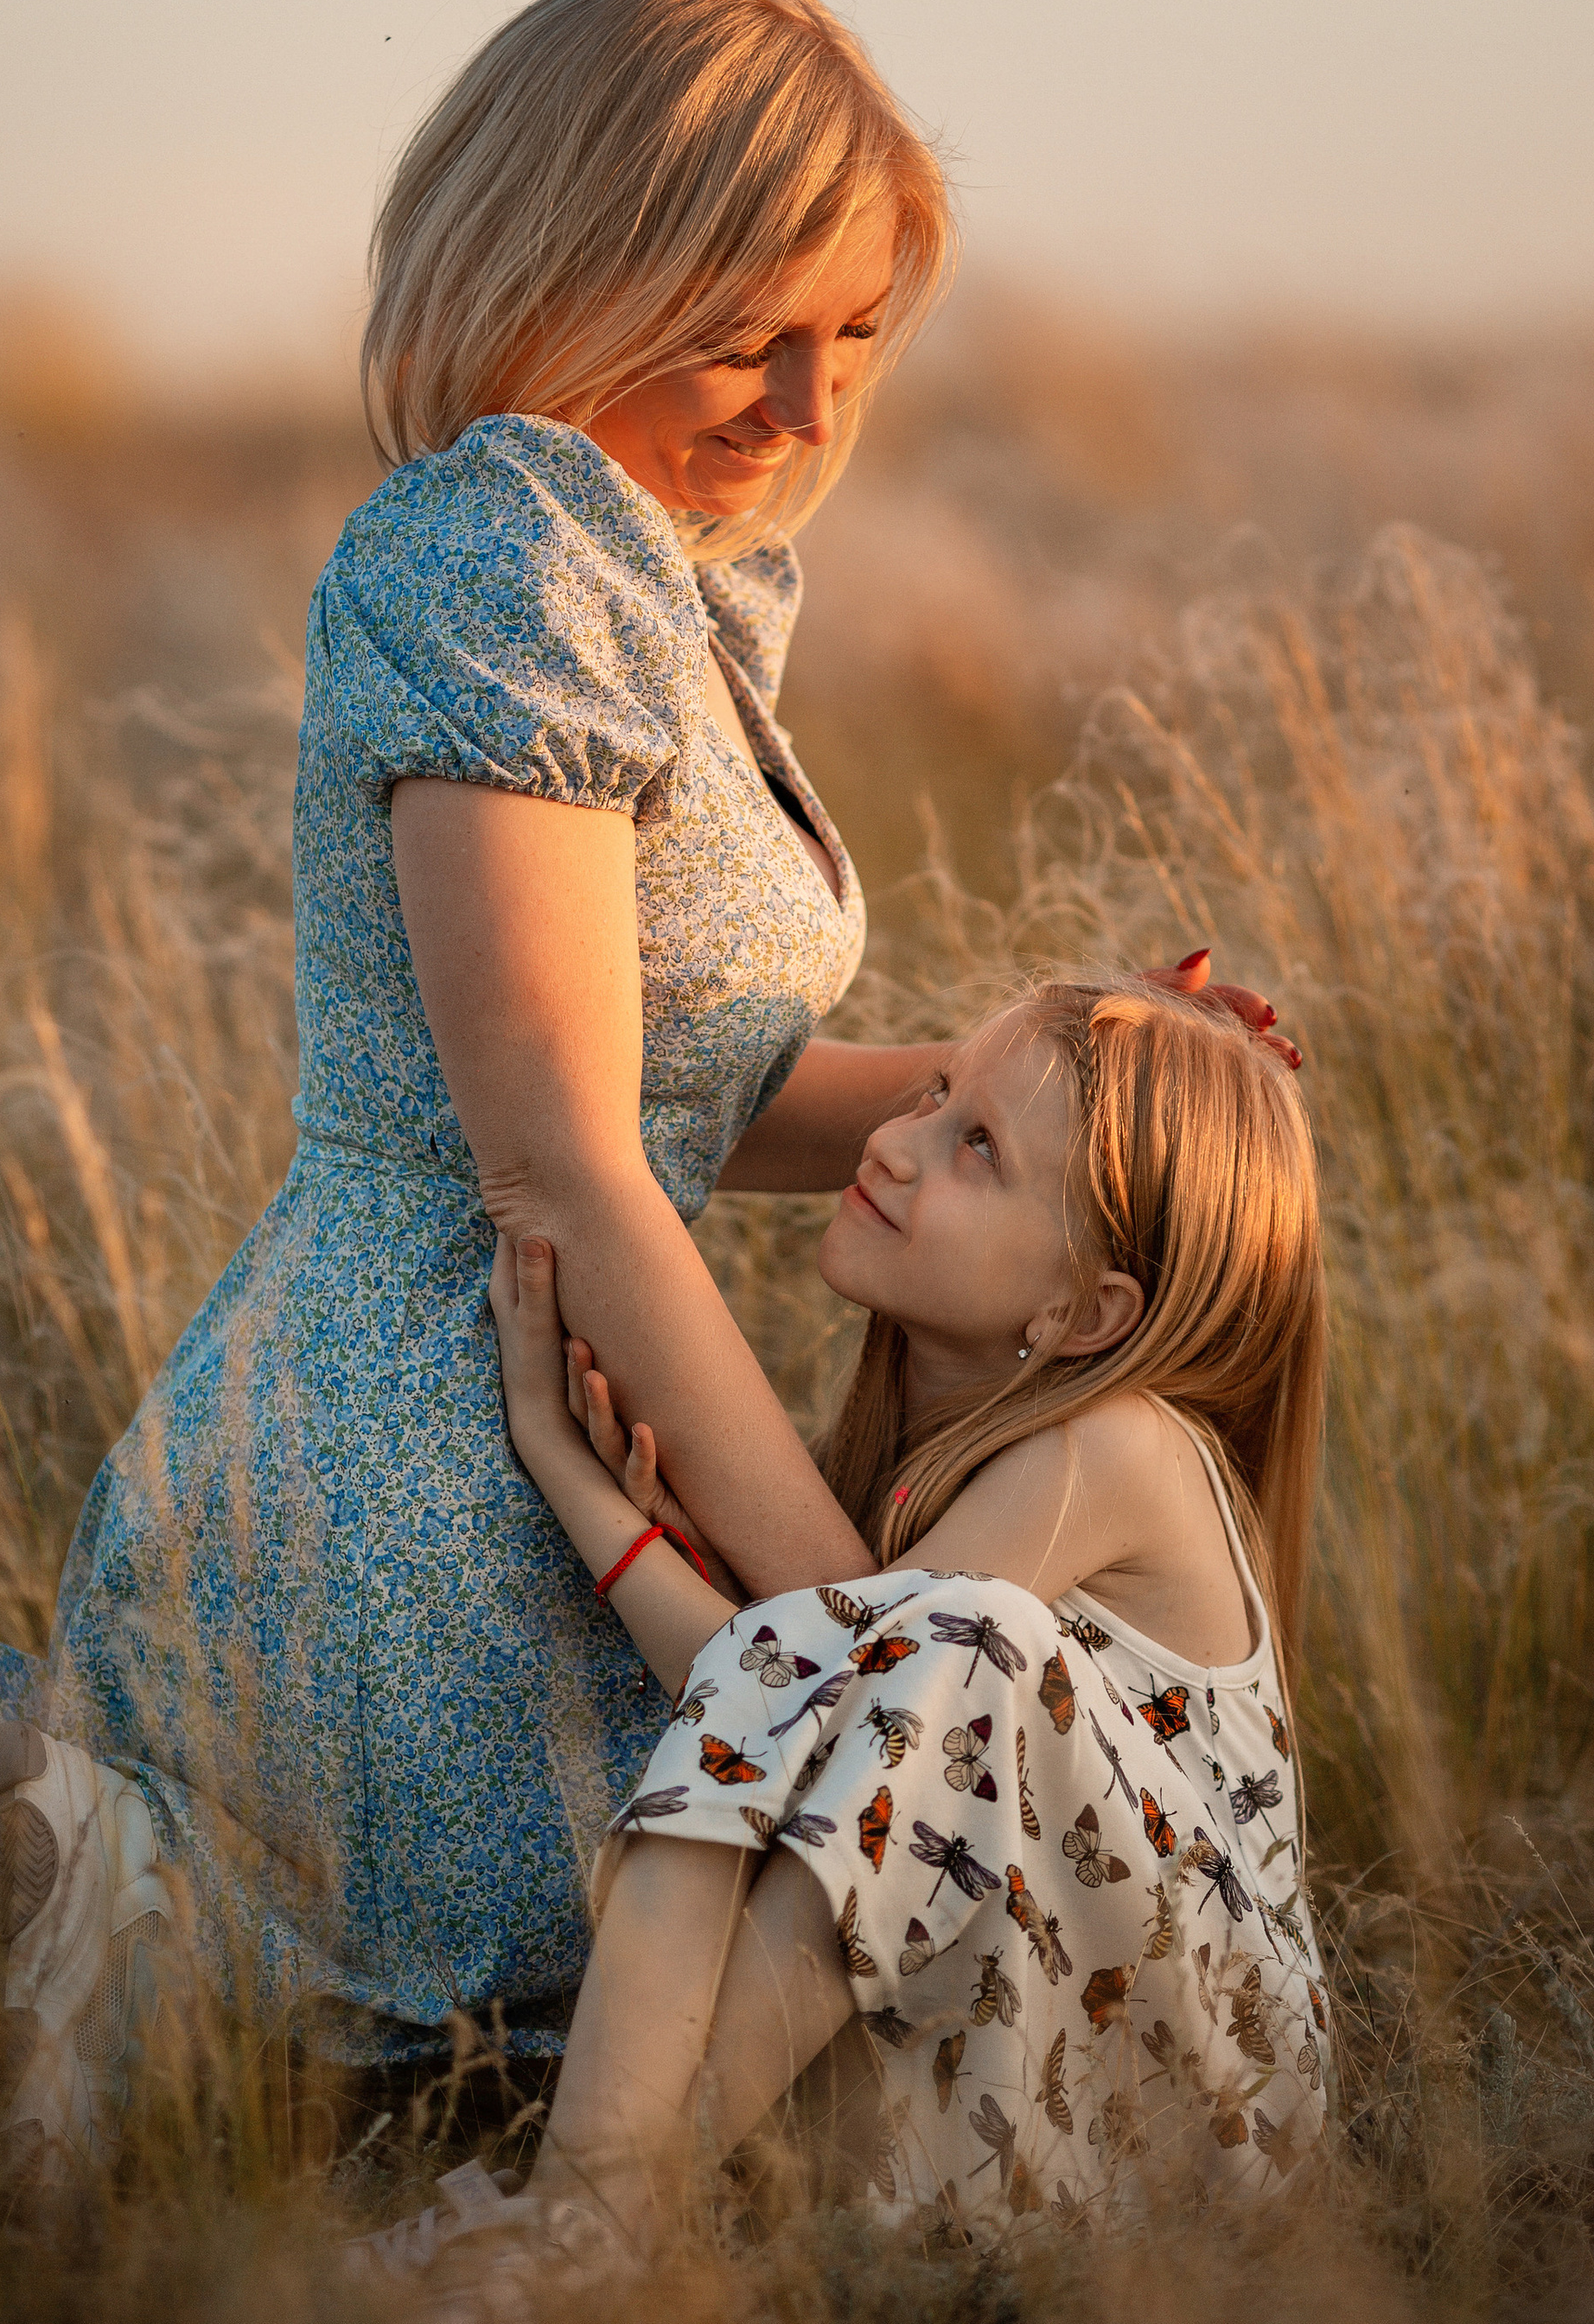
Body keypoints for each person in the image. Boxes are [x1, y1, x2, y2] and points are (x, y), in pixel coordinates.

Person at [0, 0, 967, 2168]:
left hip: (575, 1399)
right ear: (560, 263)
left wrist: (1067, 1076)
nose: (805, 405)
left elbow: (700, 1096)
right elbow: (565, 1166)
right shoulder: (499, 540)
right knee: (406, 2144)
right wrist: (845, 1628)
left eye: (854, 336)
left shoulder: (650, 564)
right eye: (739, 331)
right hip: (416, 1468)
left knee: (531, 2142)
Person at [398, 968, 1329, 2270]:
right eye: (937, 1095)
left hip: (1198, 2113)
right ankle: (588, 2217)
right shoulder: (906, 1466)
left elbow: (782, 1682)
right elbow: (772, 1696)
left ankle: (588, 2229)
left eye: (978, 1147)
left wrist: (566, 1470)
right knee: (911, 1656)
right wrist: (610, 1492)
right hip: (1024, 2062)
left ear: (1082, 1313)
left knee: (964, 1642)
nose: (893, 1142)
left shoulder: (1118, 1453)